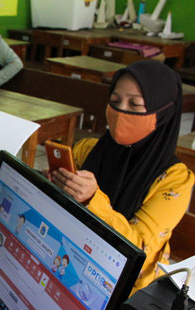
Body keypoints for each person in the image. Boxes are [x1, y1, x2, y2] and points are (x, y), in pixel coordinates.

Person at [50, 60, 194, 293]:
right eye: (115, 102)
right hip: (73, 261)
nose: (120, 113)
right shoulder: (87, 150)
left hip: (125, 289)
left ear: (163, 112)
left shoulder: (174, 180)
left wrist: (93, 200)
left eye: (134, 105)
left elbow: (139, 251)